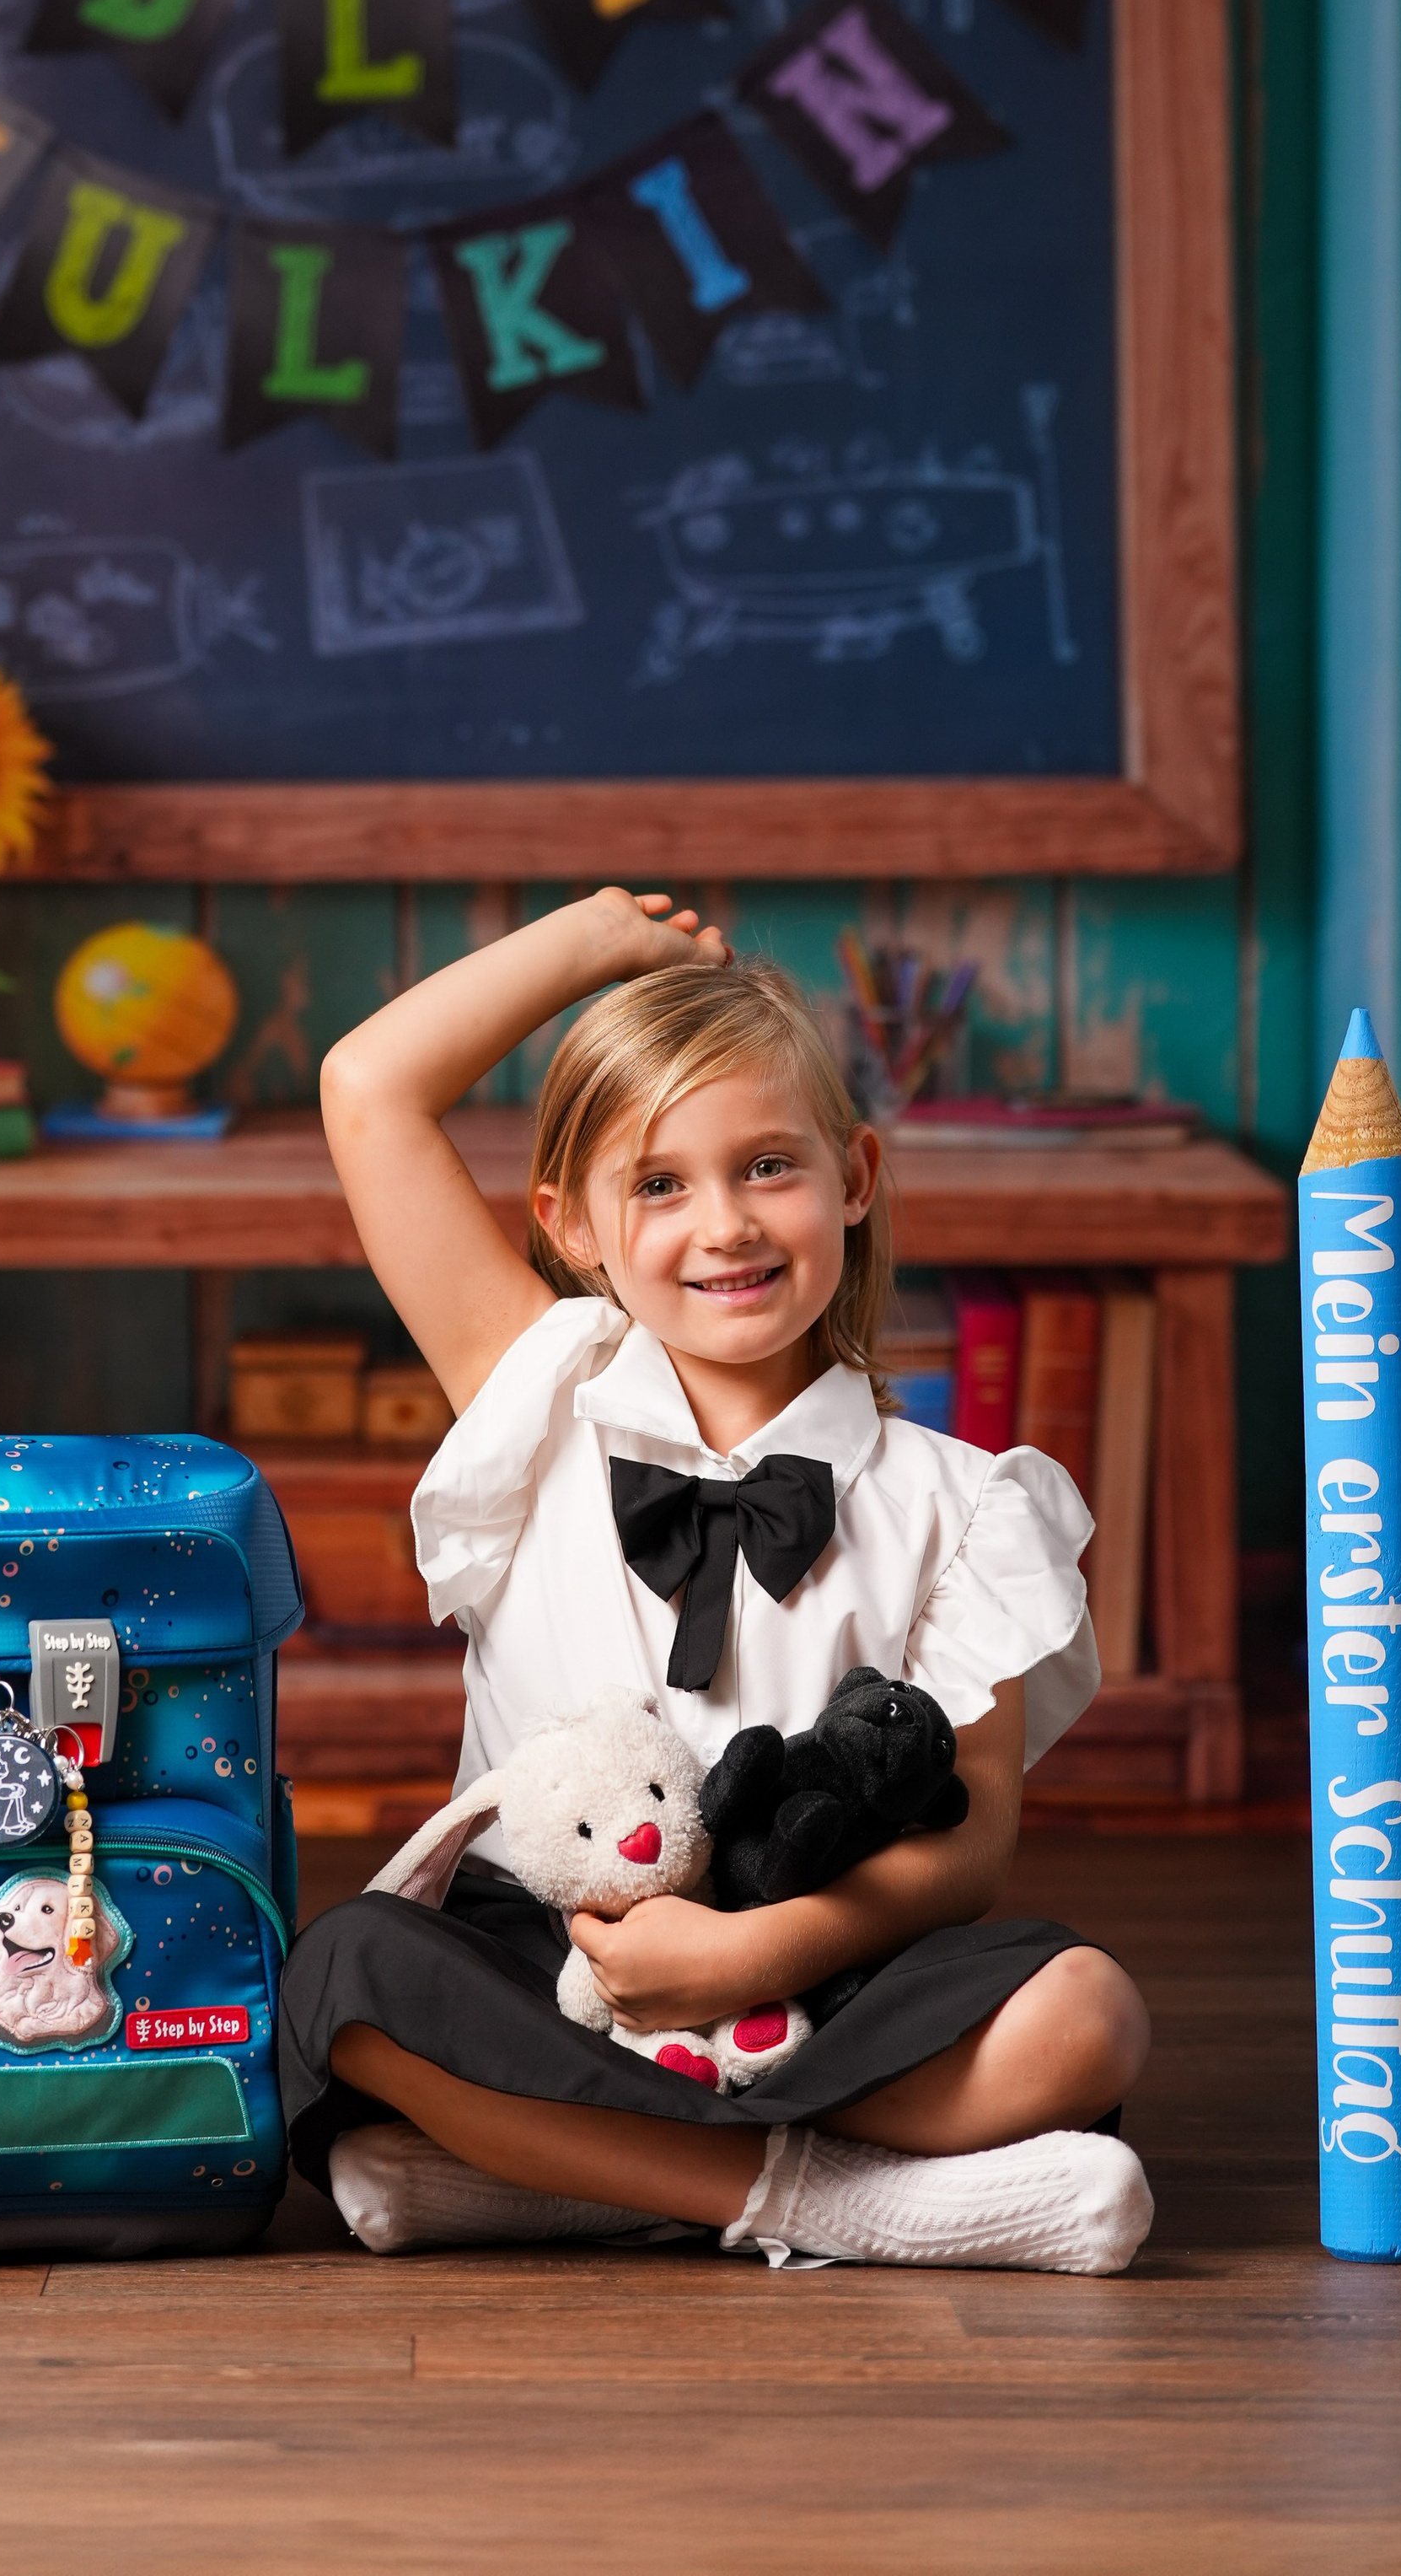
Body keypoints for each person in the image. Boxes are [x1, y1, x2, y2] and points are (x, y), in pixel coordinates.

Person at [276, 889, 1154, 2272]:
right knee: (346, 1976)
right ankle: (830, 2204)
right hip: (554, 1962)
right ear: (575, 1224)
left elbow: (976, 1842)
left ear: (854, 1178)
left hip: (817, 1959)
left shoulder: (964, 1501)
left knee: (1087, 2014)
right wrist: (602, 941)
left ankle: (559, 2178)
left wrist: (759, 1958)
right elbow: (369, 1087)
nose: (725, 1225)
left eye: (769, 1167)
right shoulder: (535, 1386)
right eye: (662, 1183)